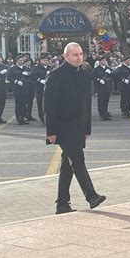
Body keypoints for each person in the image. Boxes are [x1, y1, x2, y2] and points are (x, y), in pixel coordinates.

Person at [44, 42, 106, 214]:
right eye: (75, 55)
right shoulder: (55, 75)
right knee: (78, 159)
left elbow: (87, 103)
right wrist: (51, 132)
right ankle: (91, 196)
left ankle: (62, 204)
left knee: (67, 165)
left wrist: (87, 128)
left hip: (78, 126)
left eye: (80, 54)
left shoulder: (84, 74)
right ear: (65, 56)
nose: (79, 57)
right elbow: (49, 105)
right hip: (63, 126)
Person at [7, 55, 32, 125]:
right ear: (17, 61)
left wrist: (28, 74)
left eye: (22, 60)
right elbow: (9, 77)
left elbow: (31, 77)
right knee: (18, 104)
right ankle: (19, 118)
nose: (22, 61)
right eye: (20, 60)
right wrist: (16, 81)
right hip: (17, 89)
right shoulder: (13, 69)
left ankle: (23, 117)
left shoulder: (26, 68)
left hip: (25, 88)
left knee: (24, 104)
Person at [30, 55, 51, 125]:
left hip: (49, 89)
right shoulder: (36, 68)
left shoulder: (50, 68)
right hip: (40, 89)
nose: (46, 61)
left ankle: (48, 118)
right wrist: (39, 80)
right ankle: (42, 119)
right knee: (41, 104)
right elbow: (32, 76)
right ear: (40, 61)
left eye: (46, 60)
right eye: (44, 60)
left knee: (49, 105)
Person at [91, 56, 113, 121]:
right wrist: (99, 80)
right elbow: (92, 76)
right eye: (103, 60)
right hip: (100, 88)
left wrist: (111, 72)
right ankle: (101, 115)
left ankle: (105, 114)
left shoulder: (108, 68)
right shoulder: (96, 69)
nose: (104, 62)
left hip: (107, 87)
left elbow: (114, 76)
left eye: (105, 60)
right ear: (100, 61)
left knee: (106, 101)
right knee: (101, 102)